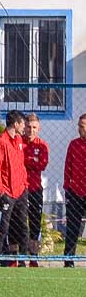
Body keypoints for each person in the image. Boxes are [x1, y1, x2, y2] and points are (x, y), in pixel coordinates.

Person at [0, 110, 28, 267]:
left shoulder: (19, 139)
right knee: (2, 228)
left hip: (20, 191)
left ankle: (25, 259)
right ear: (16, 124)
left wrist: (24, 185)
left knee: (23, 227)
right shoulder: (1, 142)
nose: (24, 126)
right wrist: (1, 191)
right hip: (7, 192)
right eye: (23, 123)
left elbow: (21, 164)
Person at [23, 113, 49, 266]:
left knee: (35, 224)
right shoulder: (19, 143)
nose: (31, 130)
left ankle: (33, 258)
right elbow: (18, 163)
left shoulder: (42, 145)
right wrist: (33, 161)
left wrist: (28, 161)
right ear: (24, 127)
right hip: (20, 188)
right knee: (19, 223)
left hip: (35, 189)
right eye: (28, 127)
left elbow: (42, 165)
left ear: (38, 129)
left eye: (34, 128)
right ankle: (18, 258)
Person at [63, 113, 86, 268]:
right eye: (79, 126)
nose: (80, 129)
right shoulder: (74, 144)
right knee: (72, 227)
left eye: (82, 126)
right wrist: (67, 188)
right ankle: (68, 259)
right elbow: (68, 167)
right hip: (75, 192)